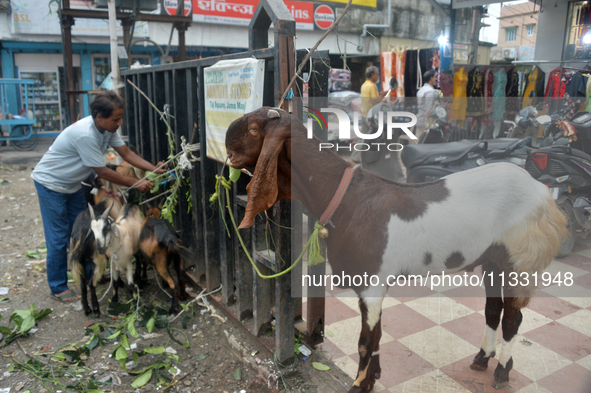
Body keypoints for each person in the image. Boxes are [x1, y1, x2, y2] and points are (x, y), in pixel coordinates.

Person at [32, 91, 166, 303]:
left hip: (71, 185)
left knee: (87, 231)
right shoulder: (86, 134)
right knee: (60, 236)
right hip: (51, 185)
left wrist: (154, 170)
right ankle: (57, 286)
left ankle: (90, 273)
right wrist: (137, 182)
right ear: (99, 117)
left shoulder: (106, 129)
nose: (119, 123)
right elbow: (102, 172)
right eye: (116, 119)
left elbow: (128, 155)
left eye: (121, 118)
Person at [351, 65, 388, 163]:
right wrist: (383, 96)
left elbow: (369, 100)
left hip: (365, 114)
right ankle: (365, 158)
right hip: (372, 117)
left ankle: (361, 157)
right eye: (377, 74)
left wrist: (380, 96)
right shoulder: (372, 86)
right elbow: (375, 102)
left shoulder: (364, 85)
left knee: (364, 137)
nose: (378, 76)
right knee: (373, 138)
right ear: (372, 75)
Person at [415, 69, 439, 140]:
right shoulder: (430, 91)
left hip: (420, 120)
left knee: (418, 141)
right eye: (435, 77)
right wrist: (428, 124)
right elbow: (429, 109)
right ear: (431, 78)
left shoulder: (421, 90)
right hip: (425, 123)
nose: (436, 79)